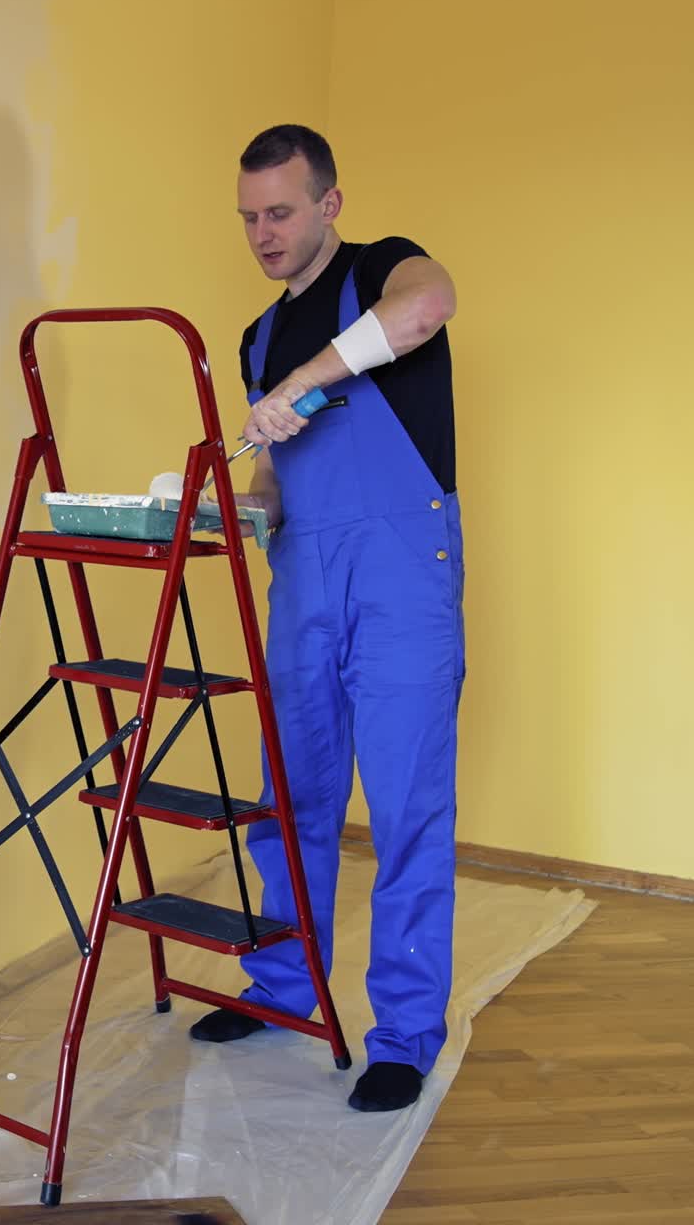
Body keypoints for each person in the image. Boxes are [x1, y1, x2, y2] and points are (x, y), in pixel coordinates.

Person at [189, 124, 466, 1114]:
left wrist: (304, 382)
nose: (262, 233)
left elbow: (427, 307)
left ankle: (402, 1033)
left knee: (404, 808)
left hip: (399, 574)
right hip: (304, 578)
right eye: (248, 216)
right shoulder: (255, 338)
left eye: (280, 211)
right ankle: (281, 988)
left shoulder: (382, 270)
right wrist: (239, 508)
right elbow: (276, 472)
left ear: (328, 203)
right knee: (290, 797)